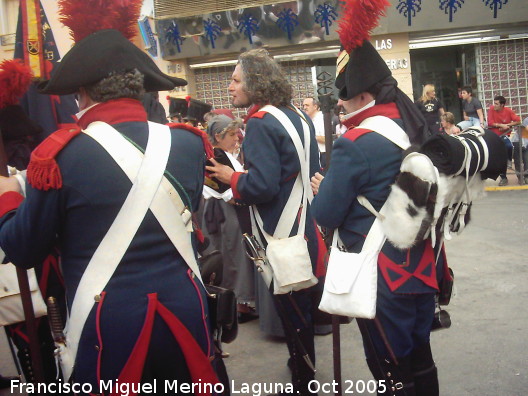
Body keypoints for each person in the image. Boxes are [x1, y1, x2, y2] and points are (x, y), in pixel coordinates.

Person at [0, 17, 218, 393]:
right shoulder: (188, 144)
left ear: (82, 94)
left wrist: (8, 196)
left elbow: (23, 247)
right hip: (187, 307)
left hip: (108, 319)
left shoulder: (56, 158)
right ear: (139, 89)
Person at [311, 1, 443, 394]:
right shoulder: (413, 125)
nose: (341, 103)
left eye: (346, 96)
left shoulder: (357, 142)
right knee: (420, 357)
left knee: (388, 364)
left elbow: (327, 212)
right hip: (422, 266)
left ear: (364, 96)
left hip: (381, 274)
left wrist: (322, 190)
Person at [206, 48, 326, 396]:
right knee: (302, 308)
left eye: (236, 79)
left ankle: (304, 377)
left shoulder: (260, 122)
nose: (230, 87)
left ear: (255, 83)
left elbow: (261, 185)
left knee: (293, 312)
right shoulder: (298, 117)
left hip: (280, 233)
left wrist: (231, 177)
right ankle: (302, 367)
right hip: (306, 226)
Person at [202, 114, 256, 318]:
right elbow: (230, 194)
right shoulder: (216, 157)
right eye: (232, 134)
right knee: (234, 255)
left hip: (225, 209)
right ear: (218, 136)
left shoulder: (224, 154)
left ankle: (239, 301)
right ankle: (239, 303)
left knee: (233, 255)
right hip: (225, 211)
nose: (237, 138)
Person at [487, 95, 521, 186]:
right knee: (499, 158)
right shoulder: (491, 109)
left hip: (504, 136)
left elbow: (518, 121)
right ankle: (503, 178)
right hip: (494, 137)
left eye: (496, 104)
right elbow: (490, 123)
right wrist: (501, 125)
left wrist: (508, 125)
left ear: (502, 105)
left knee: (509, 146)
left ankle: (509, 160)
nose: (494, 105)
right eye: (494, 103)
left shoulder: (508, 111)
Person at [303, 96, 327, 169]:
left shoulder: (321, 119)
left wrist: (309, 136)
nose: (304, 108)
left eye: (307, 105)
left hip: (324, 156)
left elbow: (326, 139)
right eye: (303, 105)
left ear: (315, 106)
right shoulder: (309, 120)